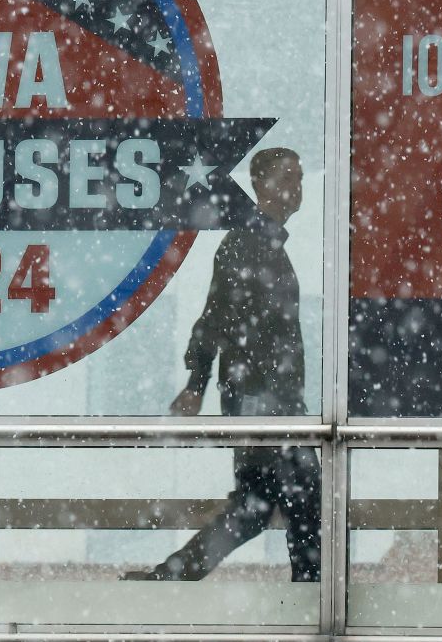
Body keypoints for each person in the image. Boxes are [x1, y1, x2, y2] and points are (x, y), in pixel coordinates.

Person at [124, 147, 321, 582]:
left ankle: (171, 578)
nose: (297, 187)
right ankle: (311, 595)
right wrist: (198, 382)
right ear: (260, 186)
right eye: (287, 177)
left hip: (268, 400)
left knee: (259, 505)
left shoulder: (263, 244)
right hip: (261, 401)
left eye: (300, 177)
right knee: (301, 497)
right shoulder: (247, 244)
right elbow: (214, 318)